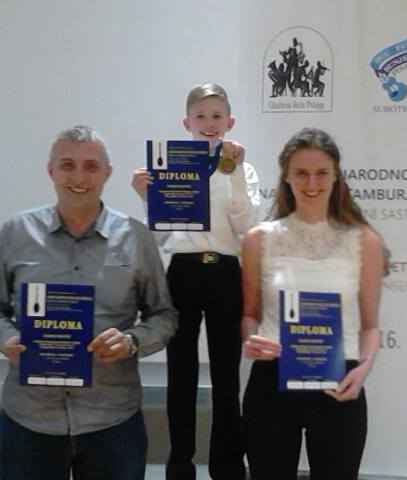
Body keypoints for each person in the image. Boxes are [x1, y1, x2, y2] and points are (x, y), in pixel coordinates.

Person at [0, 125, 178, 480]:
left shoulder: (136, 237)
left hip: (112, 419)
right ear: (50, 170)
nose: (79, 177)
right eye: (67, 165)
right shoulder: (17, 232)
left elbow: (163, 315)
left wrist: (131, 341)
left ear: (107, 173)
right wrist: (6, 338)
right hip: (30, 419)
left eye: (91, 166)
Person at [241, 128, 386, 480]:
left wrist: (363, 368)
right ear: (286, 177)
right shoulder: (258, 240)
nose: (311, 183)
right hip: (272, 383)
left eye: (321, 173)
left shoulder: (364, 241)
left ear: (335, 176)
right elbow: (250, 314)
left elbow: (370, 326)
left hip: (340, 384)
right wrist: (250, 339)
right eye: (301, 173)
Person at [131, 83, 259, 480]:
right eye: (200, 116)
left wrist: (233, 174)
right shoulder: (168, 166)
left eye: (216, 115)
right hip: (183, 272)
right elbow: (161, 237)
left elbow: (246, 227)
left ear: (230, 122)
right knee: (181, 373)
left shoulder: (243, 169)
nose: (209, 123)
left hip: (226, 272)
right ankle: (180, 463)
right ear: (186, 122)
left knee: (226, 374)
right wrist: (147, 197)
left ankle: (228, 465)